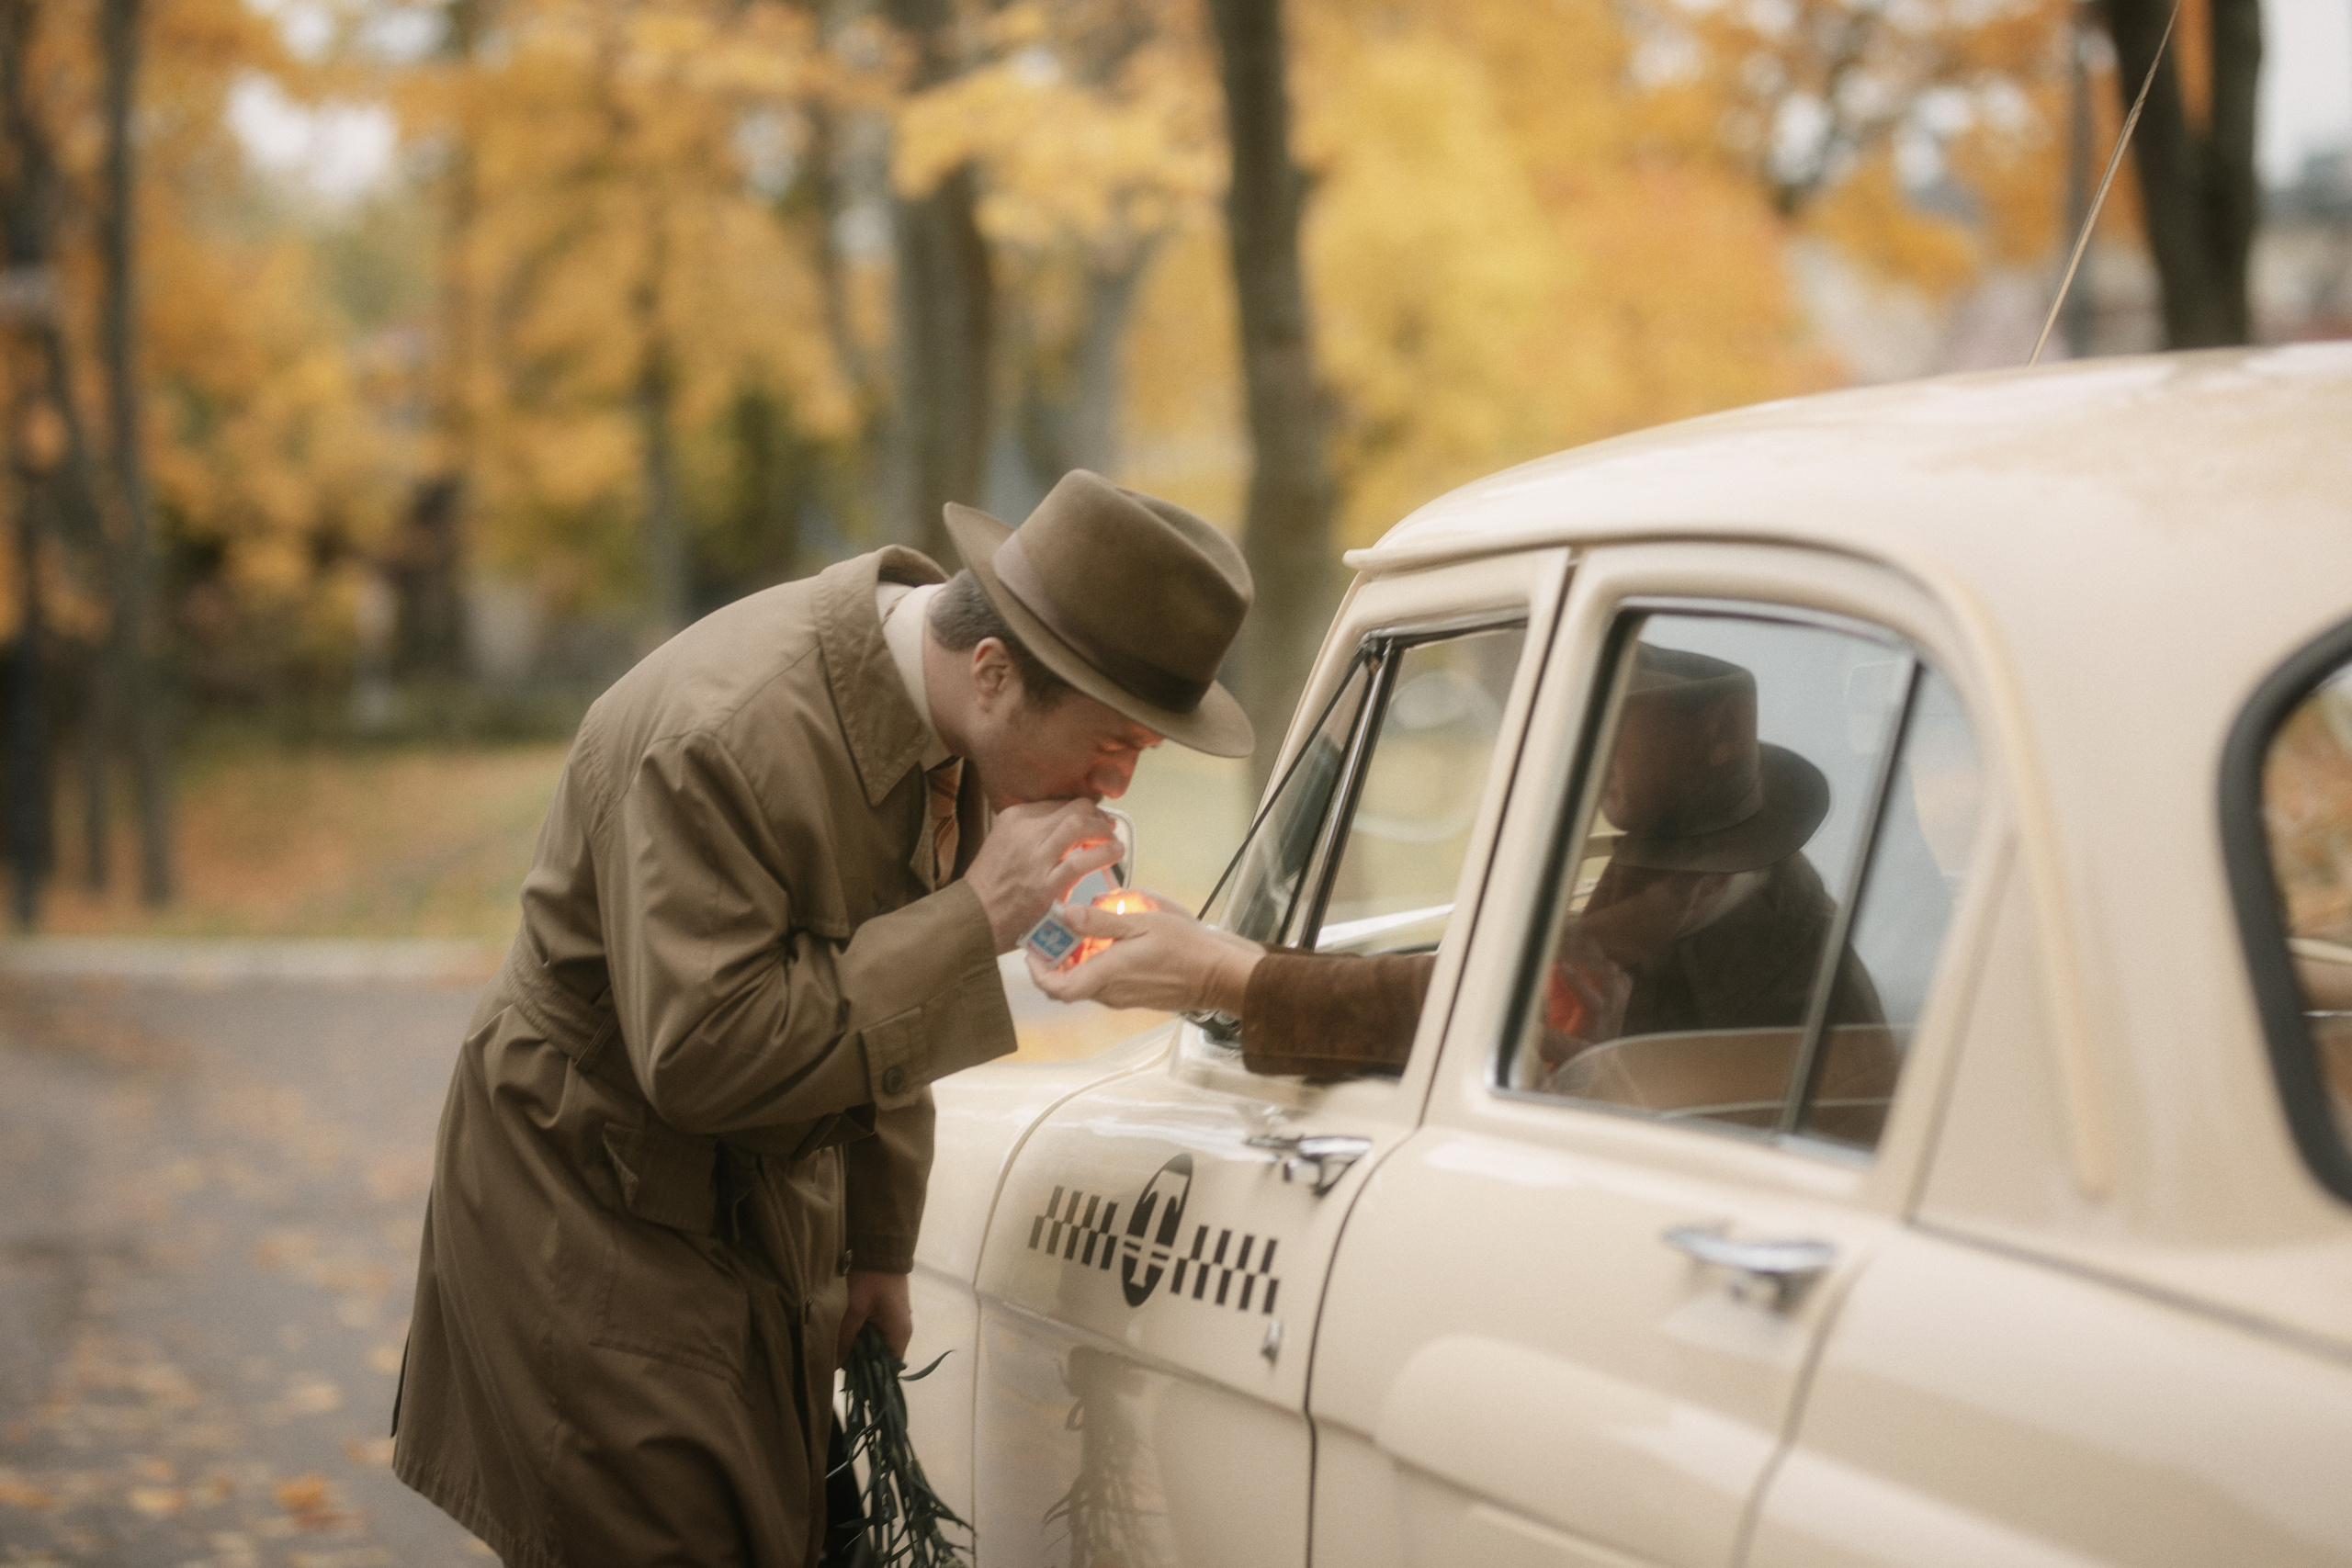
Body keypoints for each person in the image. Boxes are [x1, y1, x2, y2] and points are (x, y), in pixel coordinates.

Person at [390, 470, 1254, 1567]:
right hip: (593, 1204)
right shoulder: (720, 739)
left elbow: (872, 985)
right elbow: (703, 1055)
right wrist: (974, 916)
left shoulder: (961, 733)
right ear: (993, 672)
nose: (1118, 784)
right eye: (1114, 742)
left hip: (754, 1202)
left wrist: (879, 1248)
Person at [1032, 643, 1880, 1084]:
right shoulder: (1736, 894)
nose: (1586, 745)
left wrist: (1230, 981)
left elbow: (1478, 1000)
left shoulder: (1692, 912)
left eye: (1621, 719)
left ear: (1715, 741)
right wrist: (1230, 961)